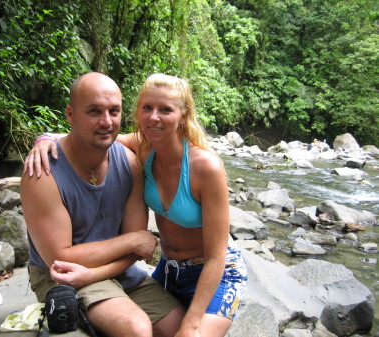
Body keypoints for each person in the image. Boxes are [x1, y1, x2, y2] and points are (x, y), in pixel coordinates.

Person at [26, 74, 248, 337]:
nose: (154, 117)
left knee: (184, 331)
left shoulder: (194, 165)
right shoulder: (142, 150)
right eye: (147, 108)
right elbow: (86, 134)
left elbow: (214, 256)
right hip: (159, 270)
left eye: (165, 109)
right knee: (139, 328)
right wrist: (45, 138)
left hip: (213, 269)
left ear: (184, 115)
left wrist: (191, 324)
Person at [20, 72, 185, 337]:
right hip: (62, 276)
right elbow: (61, 258)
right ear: (71, 114)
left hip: (117, 270)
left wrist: (123, 254)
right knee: (137, 328)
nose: (106, 121)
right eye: (95, 111)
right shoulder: (43, 174)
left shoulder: (130, 164)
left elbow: (137, 250)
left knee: (181, 327)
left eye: (114, 111)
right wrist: (131, 242)